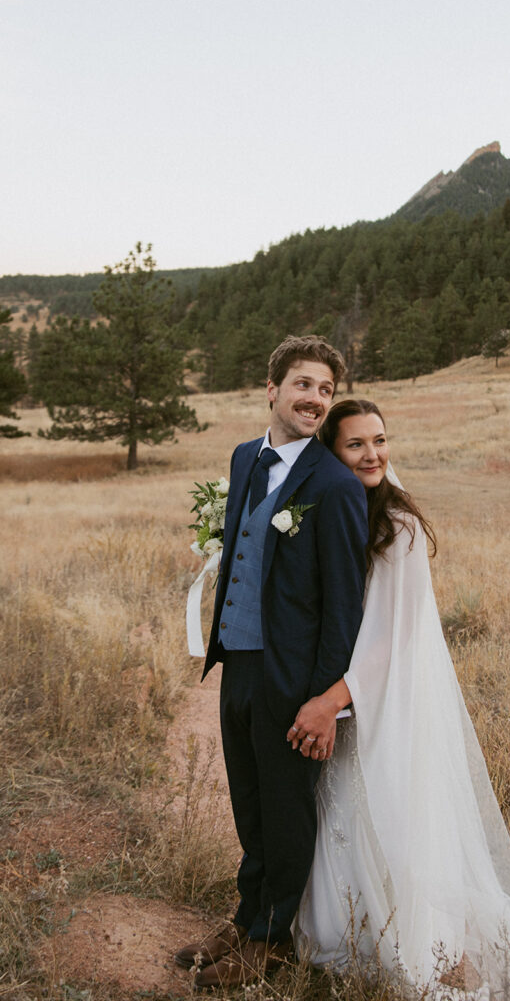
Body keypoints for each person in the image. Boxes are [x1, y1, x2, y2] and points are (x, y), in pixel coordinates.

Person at [291, 399, 510, 1001]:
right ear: (332, 454)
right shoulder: (335, 512)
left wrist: (330, 699)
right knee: (345, 810)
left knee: (393, 814)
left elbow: (392, 642)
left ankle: (432, 947)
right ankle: (356, 923)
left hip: (386, 701)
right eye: (356, 445)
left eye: (380, 441)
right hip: (347, 697)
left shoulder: (400, 527)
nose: (373, 454)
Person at [174, 338, 368, 989]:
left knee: (286, 811)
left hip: (293, 679)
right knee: (251, 804)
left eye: (324, 389)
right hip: (240, 665)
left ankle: (270, 943)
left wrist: (325, 700)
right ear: (272, 390)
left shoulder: (336, 486)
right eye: (302, 384)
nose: (314, 398)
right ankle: (247, 915)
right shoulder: (242, 458)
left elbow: (344, 605)